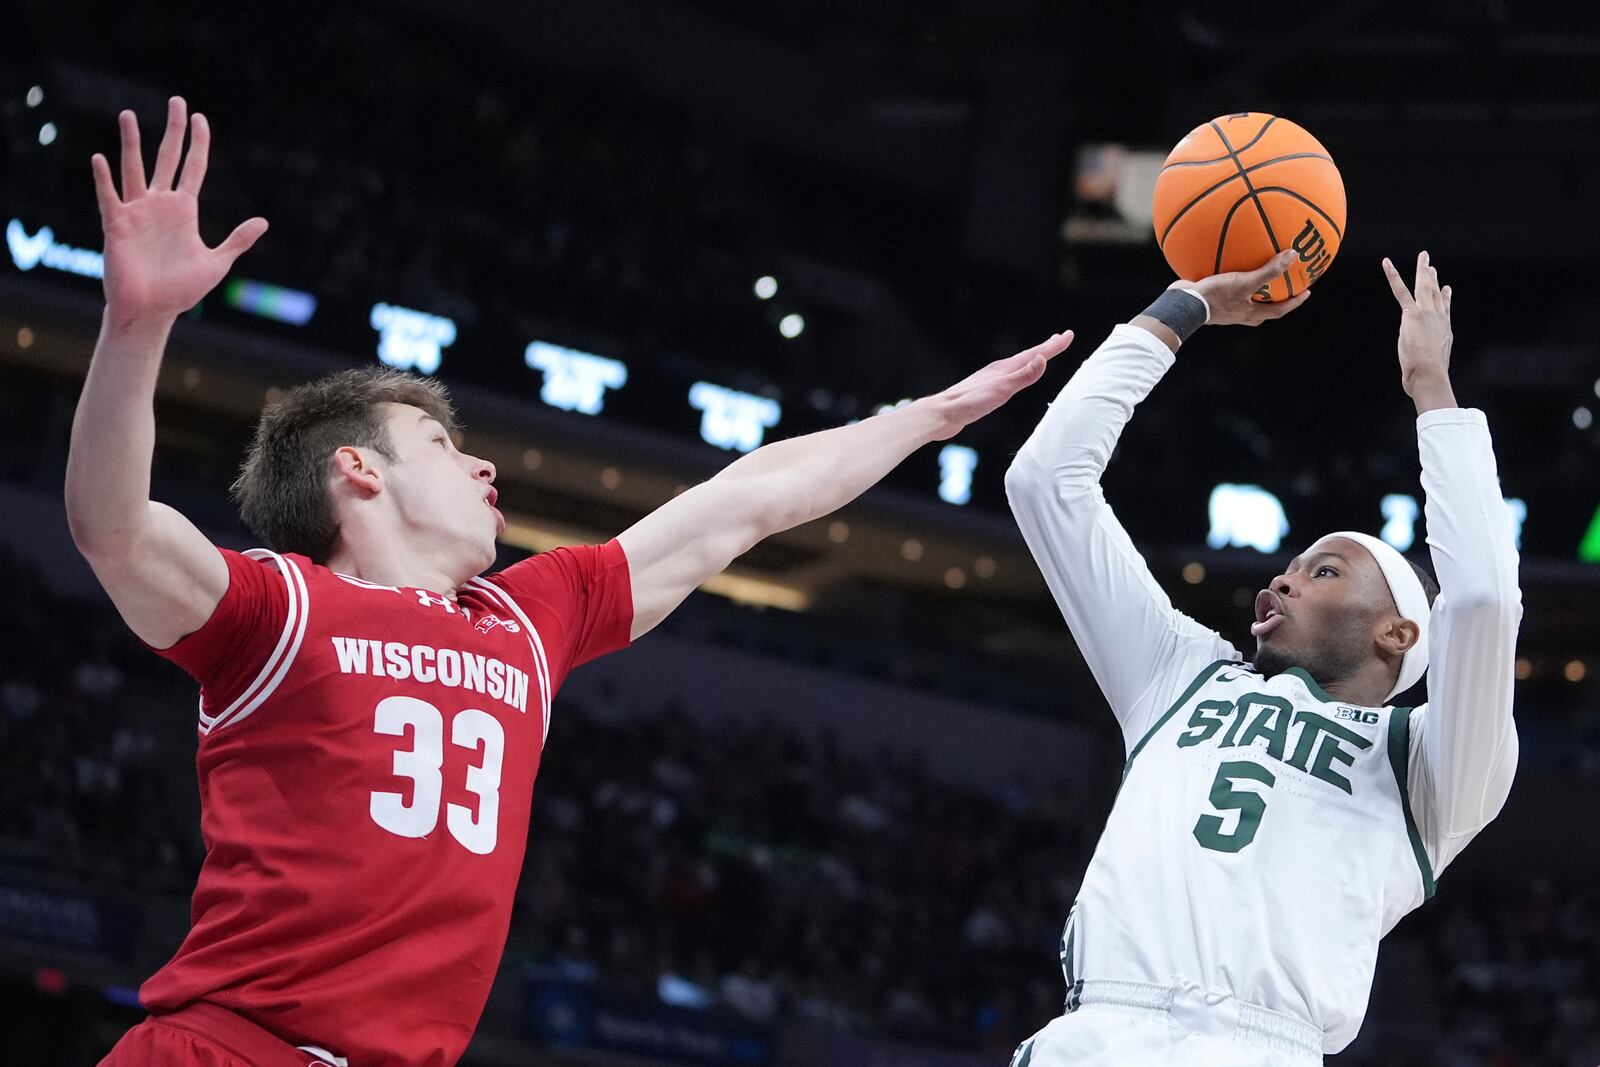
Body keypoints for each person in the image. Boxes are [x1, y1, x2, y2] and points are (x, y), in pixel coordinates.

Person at [68, 97, 1074, 1067]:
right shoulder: (280, 609)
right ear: (359, 470)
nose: (483, 467)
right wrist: (137, 327)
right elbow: (114, 527)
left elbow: (747, 500)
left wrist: (930, 415)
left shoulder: (525, 615)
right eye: (442, 443)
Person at [1003, 251, 1521, 1065]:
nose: (1284, 576)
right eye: (1291, 565)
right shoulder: (1178, 674)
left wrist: (1433, 390)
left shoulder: (1430, 769)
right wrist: (1181, 311)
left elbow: (1485, 600)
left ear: (1399, 632)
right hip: (1097, 1033)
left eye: (1324, 570)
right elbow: (1047, 482)